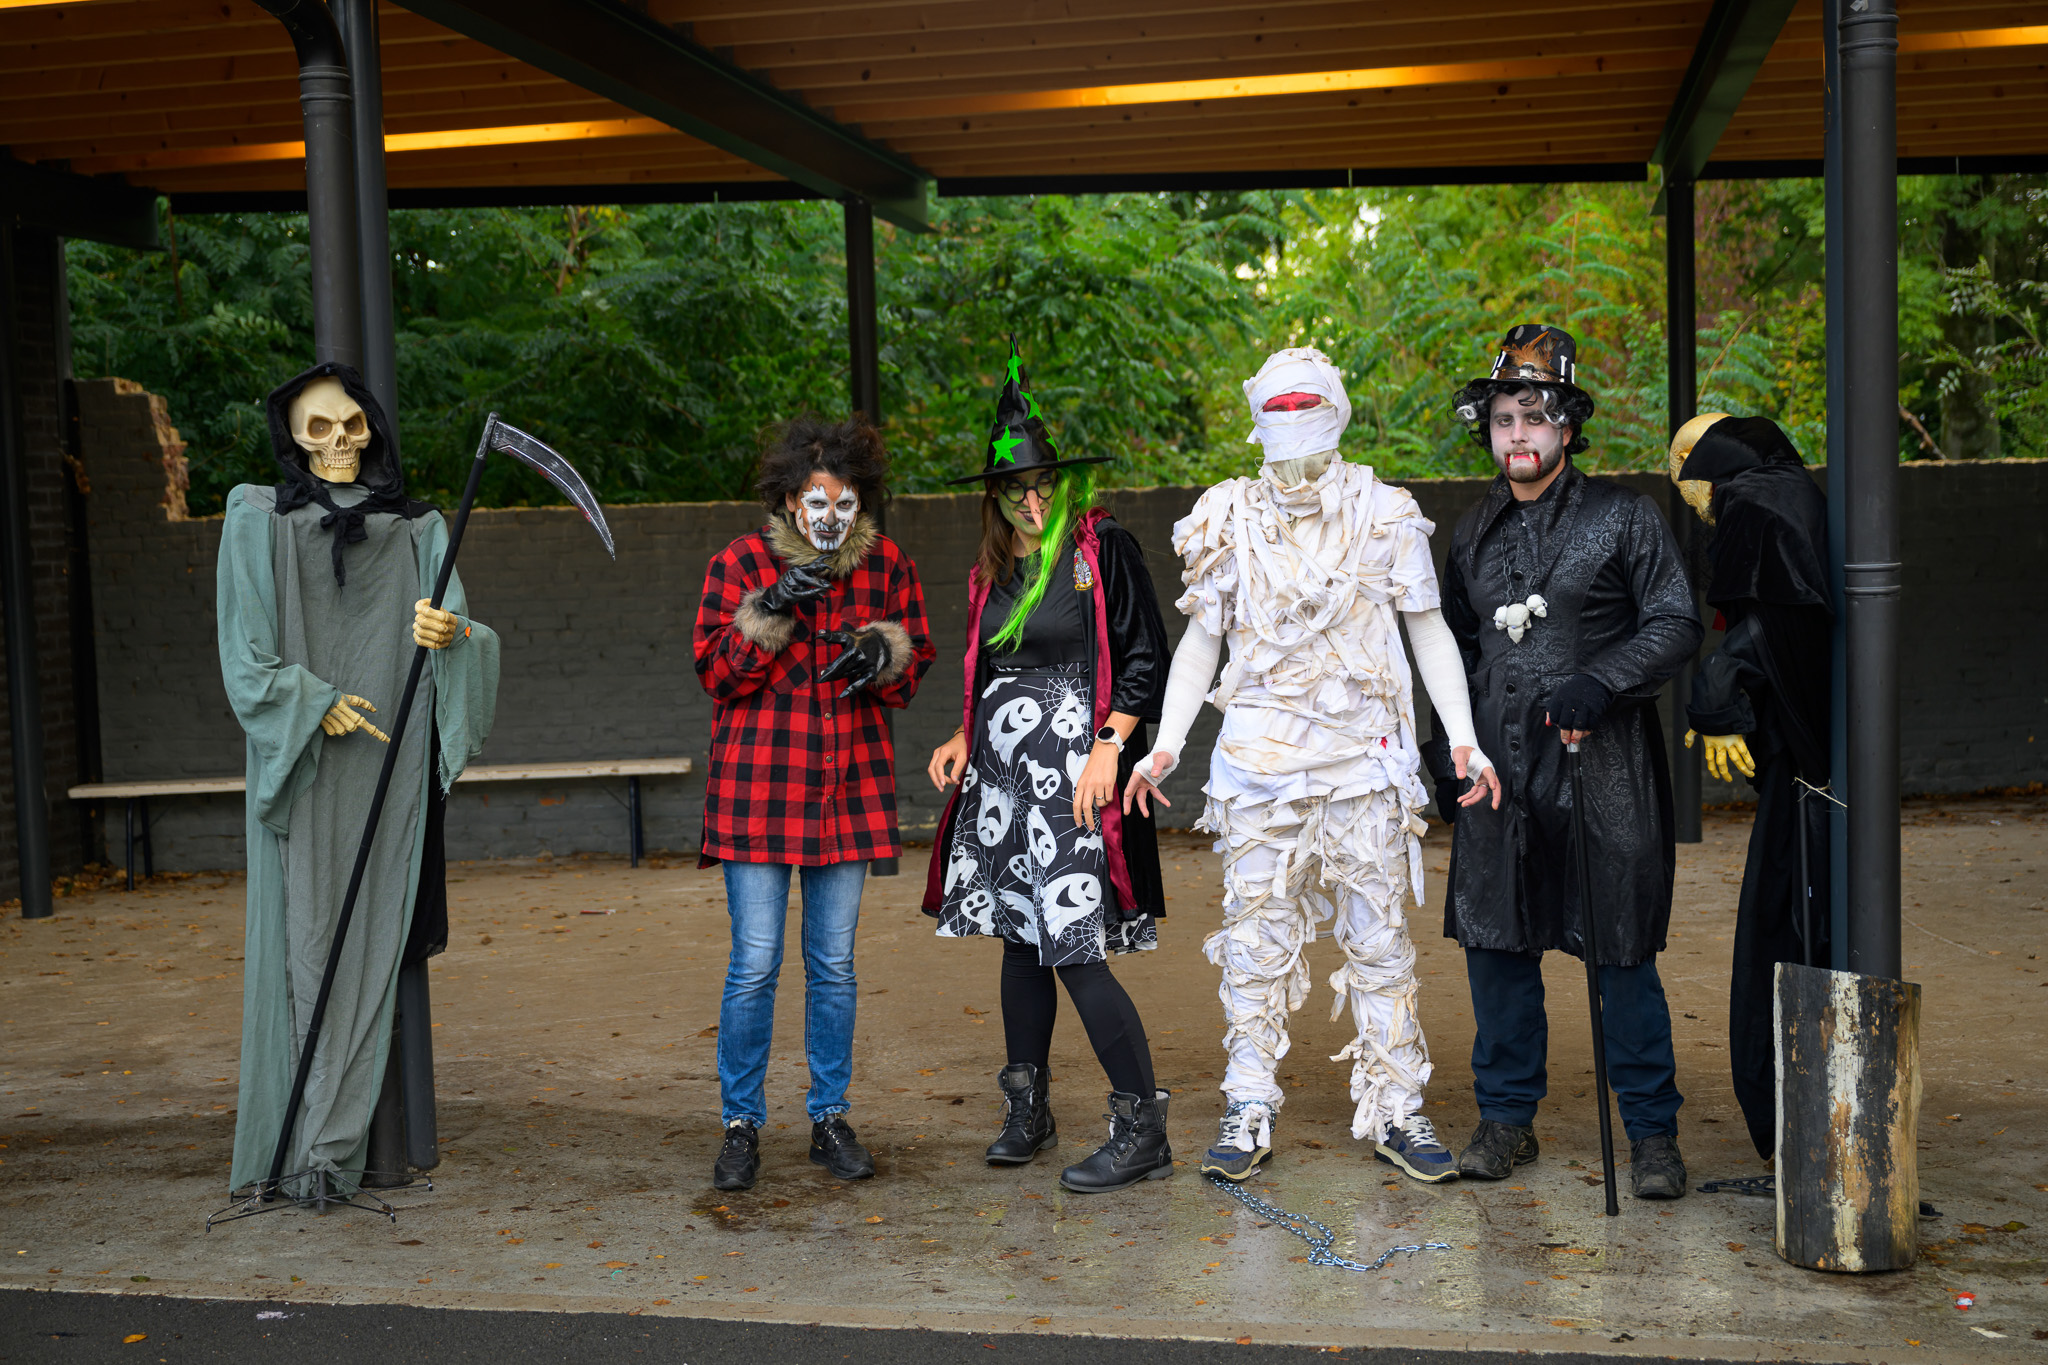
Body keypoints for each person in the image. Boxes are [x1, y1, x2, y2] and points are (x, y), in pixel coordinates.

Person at [1126, 347, 1496, 1186]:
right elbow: (1203, 642)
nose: (1293, 424)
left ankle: (1397, 1103)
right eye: (1278, 410)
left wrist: (1462, 736)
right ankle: (1248, 1098)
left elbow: (1429, 629)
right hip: (1259, 769)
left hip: (1364, 767)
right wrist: (1168, 742)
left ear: (1337, 411)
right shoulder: (1227, 516)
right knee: (1254, 942)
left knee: (1379, 939)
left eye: (1308, 407)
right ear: (1257, 419)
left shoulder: (1386, 513)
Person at [1435, 324, 1703, 1199]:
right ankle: (1506, 1118)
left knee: (1620, 951)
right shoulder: (1471, 534)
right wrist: (1447, 745)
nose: (1517, 434)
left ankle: (1652, 1134)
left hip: (1602, 761)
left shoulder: (1624, 516)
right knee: (1496, 945)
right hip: (1498, 770)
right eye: (1503, 419)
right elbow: (1451, 647)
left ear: (1568, 426)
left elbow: (1676, 620)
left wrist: (1605, 679)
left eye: (1535, 416)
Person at [219, 363, 499, 1197]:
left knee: (372, 937)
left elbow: (470, 633)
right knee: (306, 941)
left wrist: (452, 634)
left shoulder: (418, 531)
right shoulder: (257, 520)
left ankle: (329, 1153)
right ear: (292, 437)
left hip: (391, 767)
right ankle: (297, 1150)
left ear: (371, 427)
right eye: (318, 427)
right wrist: (312, 701)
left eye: (351, 423)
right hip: (304, 764)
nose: (338, 441)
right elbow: (245, 658)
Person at [924, 349, 1176, 1193]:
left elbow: (1144, 656)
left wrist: (1110, 745)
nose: (1032, 504)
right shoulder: (991, 572)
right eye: (1014, 491)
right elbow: (992, 669)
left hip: (1075, 780)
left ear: (1061, 481)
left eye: (1042, 486)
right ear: (993, 497)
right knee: (1020, 942)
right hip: (1001, 782)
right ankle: (1027, 1110)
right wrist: (963, 735)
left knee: (1072, 946)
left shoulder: (1100, 548)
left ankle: (1142, 1127)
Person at [693, 415, 934, 1192]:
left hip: (846, 789)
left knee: (833, 965)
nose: (831, 515)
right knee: (755, 964)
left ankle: (830, 1116)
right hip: (758, 793)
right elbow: (715, 674)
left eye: (845, 501)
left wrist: (884, 651)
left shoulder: (887, 565)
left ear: (861, 500)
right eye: (816, 501)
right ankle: (741, 1124)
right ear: (790, 500)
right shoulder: (738, 562)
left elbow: (915, 662)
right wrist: (766, 610)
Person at [1669, 413, 1832, 1160]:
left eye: (1686, 466)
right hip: (1809, 771)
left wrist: (1719, 694)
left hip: (1806, 777)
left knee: (1787, 928)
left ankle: (1794, 1121)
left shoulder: (1758, 507)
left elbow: (1770, 629)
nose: (1686, 489)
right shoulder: (1786, 498)